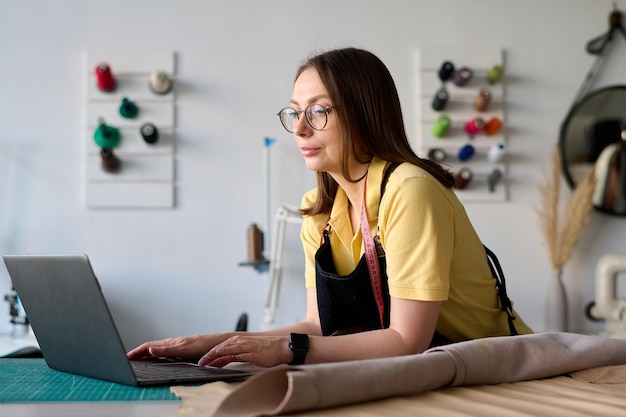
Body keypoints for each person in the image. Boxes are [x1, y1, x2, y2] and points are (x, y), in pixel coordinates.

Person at [127, 47, 532, 368]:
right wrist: (205, 343)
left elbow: (407, 341)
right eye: (295, 112)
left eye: (318, 111)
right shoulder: (318, 211)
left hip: (496, 371)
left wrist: (289, 350)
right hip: (429, 372)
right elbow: (317, 327)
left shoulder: (410, 191)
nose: (300, 128)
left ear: (363, 113)